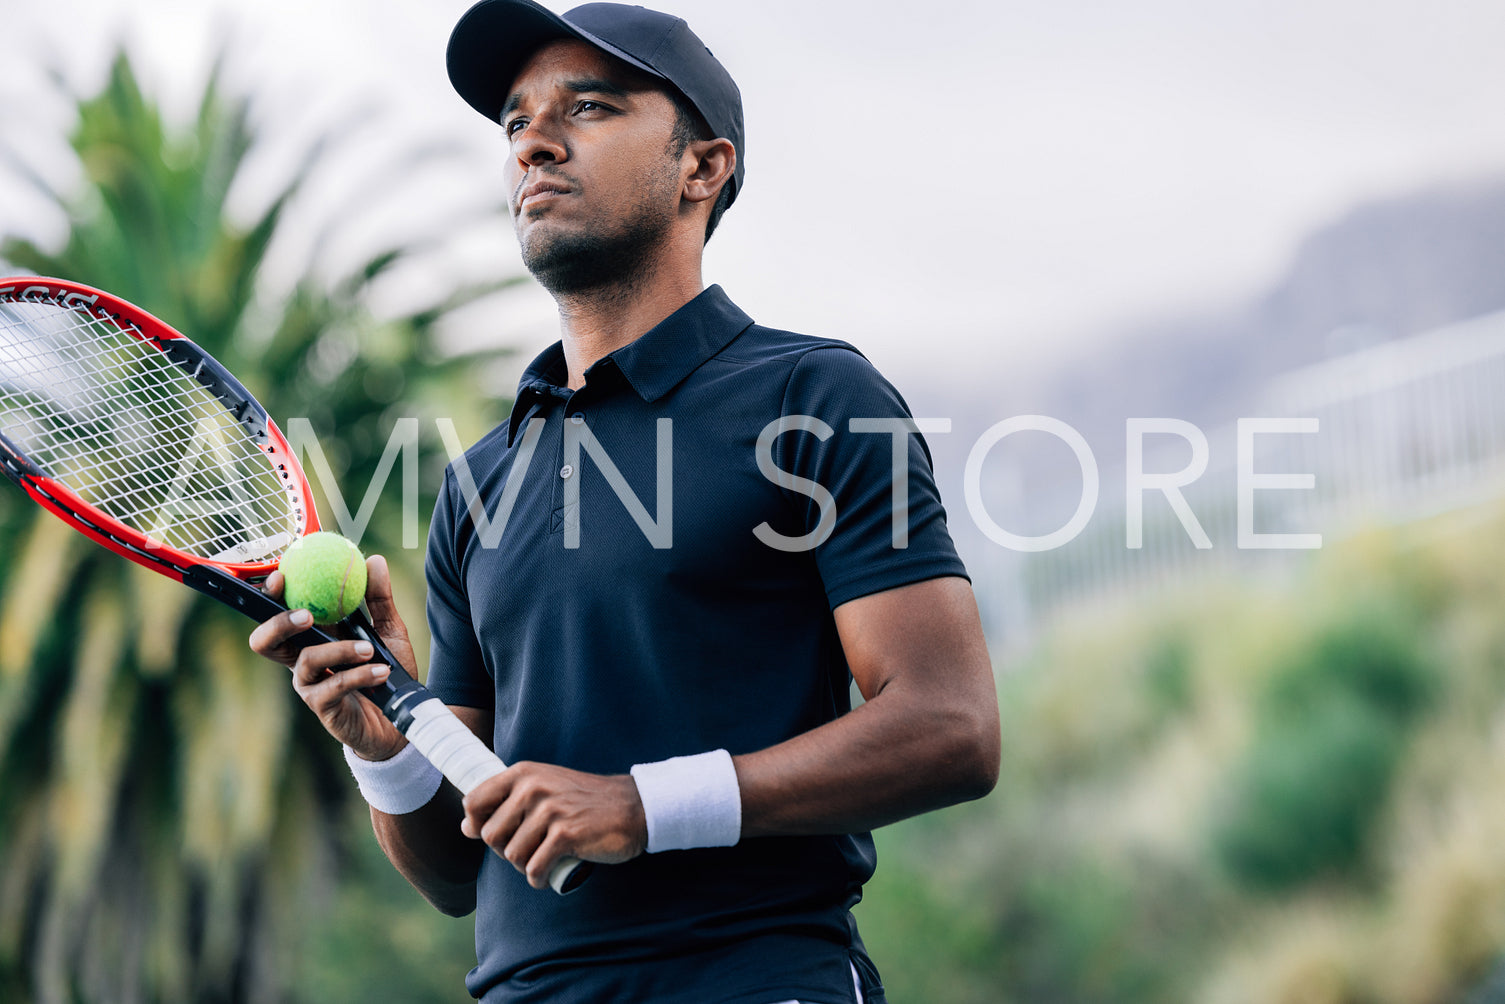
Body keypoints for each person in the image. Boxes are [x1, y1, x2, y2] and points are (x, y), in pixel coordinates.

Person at [250, 1, 1000, 1001]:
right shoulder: (480, 483)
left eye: (589, 107)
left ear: (702, 167)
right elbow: (453, 873)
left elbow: (950, 725)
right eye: (515, 123)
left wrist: (641, 805)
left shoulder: (813, 400)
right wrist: (384, 744)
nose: (534, 145)